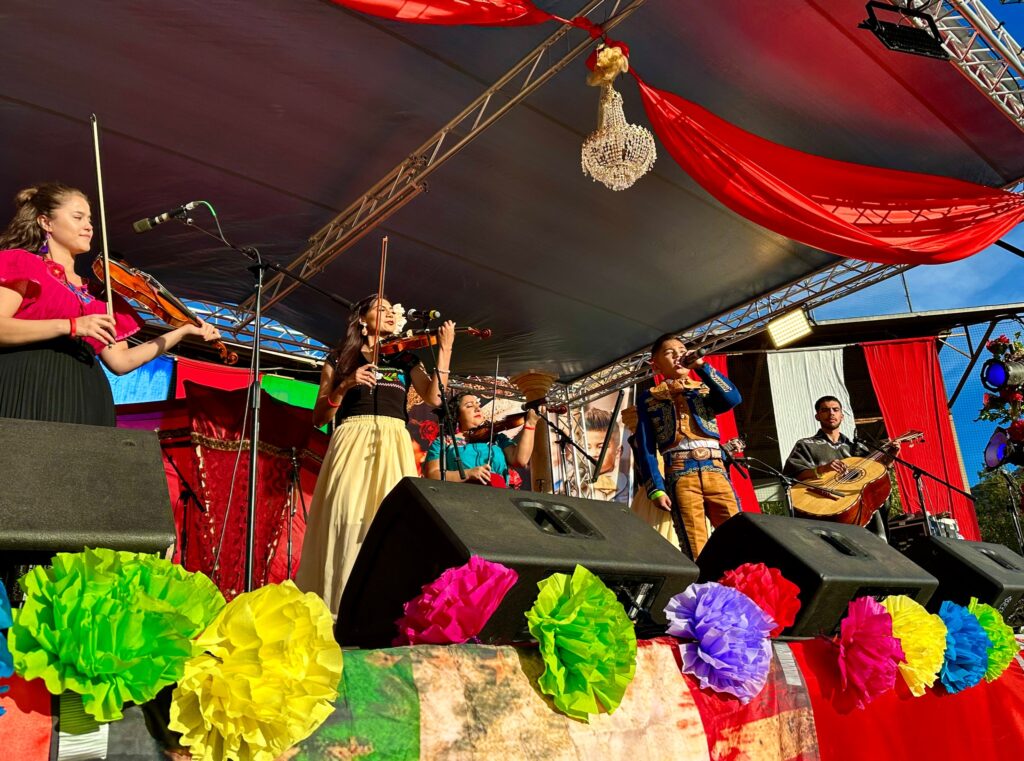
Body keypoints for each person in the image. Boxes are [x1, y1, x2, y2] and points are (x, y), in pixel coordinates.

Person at [0, 182, 222, 425]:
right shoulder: (23, 264)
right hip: (31, 383)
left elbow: (121, 362)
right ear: (46, 223)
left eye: (90, 220)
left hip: (86, 395)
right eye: (78, 217)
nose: (88, 227)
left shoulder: (98, 293)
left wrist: (183, 331)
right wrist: (71, 325)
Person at [296, 294, 455, 611]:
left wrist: (445, 349)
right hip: (351, 438)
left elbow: (435, 398)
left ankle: (385, 609)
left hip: (393, 441)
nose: (390, 313)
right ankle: (338, 607)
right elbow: (319, 418)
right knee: (347, 518)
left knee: (393, 523)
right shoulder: (339, 358)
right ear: (361, 319)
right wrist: (345, 385)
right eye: (380, 309)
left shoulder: (404, 359)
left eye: (390, 309)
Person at [635, 334, 742, 558]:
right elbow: (645, 446)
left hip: (716, 469)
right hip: (680, 472)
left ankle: (743, 587)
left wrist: (702, 366)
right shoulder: (649, 398)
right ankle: (703, 590)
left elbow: (732, 398)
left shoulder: (703, 389)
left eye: (681, 350)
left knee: (737, 535)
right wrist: (656, 487)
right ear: (655, 364)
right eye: (669, 353)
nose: (678, 356)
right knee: (695, 544)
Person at [424, 392, 541, 486]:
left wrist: (530, 424)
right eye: (469, 405)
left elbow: (520, 460)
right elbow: (432, 474)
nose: (477, 408)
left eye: (478, 405)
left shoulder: (496, 439)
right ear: (456, 415)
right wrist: (468, 474)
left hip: (498, 496)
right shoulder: (444, 442)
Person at [585, 406, 629, 502]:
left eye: (601, 447)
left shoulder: (629, 487)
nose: (593, 454)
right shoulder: (573, 486)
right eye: (587, 447)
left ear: (618, 452)